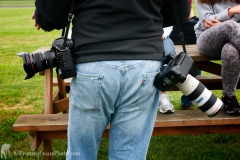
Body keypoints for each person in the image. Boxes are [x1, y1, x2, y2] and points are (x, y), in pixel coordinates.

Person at [32, 0, 190, 159]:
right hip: (144, 61)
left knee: (81, 153)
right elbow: (179, 11)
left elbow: (51, 16)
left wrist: (42, 14)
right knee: (129, 153)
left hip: (92, 60)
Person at [194, 0, 240, 115]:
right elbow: (207, 21)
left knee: (230, 50)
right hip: (208, 39)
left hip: (234, 41)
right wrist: (232, 11)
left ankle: (229, 97)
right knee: (230, 25)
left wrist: (221, 24)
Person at [159, 26, 176, 113]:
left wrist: (163, 34)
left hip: (162, 35)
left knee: (169, 57)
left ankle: (162, 95)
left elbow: (168, 24)